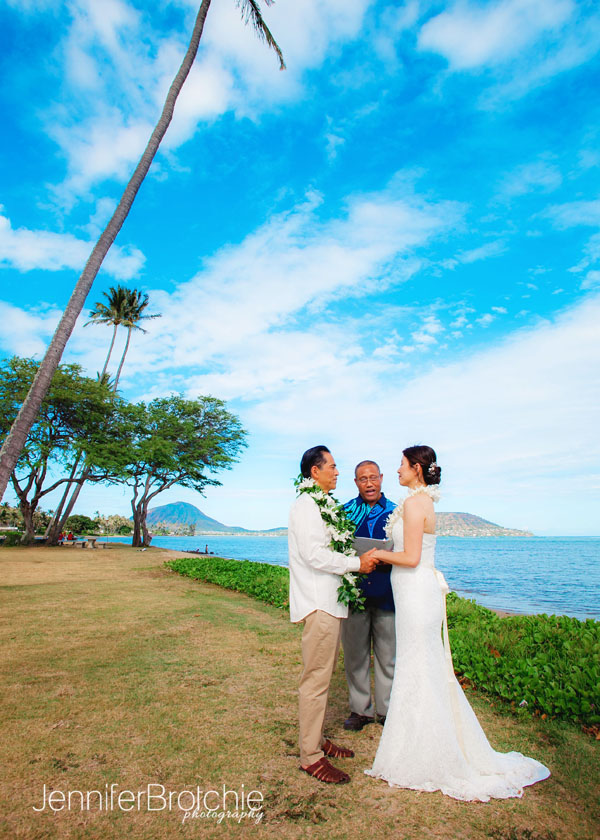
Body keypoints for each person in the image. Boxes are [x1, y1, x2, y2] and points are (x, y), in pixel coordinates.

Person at [365, 445, 550, 801]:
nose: (398, 470)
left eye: (401, 465)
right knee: (414, 668)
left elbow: (412, 556)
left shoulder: (418, 503)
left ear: (417, 469)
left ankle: (428, 754)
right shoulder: (416, 502)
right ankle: (413, 746)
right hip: (408, 593)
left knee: (420, 668)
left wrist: (377, 553)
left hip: (417, 594)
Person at [288, 445, 377, 784]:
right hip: (319, 603)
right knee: (315, 680)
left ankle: (317, 740)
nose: (338, 472)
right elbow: (314, 555)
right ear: (315, 471)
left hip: (330, 603)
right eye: (333, 466)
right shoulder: (306, 506)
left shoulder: (321, 504)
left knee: (322, 679)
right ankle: (310, 756)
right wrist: (357, 563)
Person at [342, 460, 396, 730]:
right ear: (356, 482)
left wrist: (388, 557)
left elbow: (409, 552)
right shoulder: (344, 512)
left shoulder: (397, 513)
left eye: (373, 477)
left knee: (388, 656)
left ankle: (387, 710)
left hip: (388, 594)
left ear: (382, 478)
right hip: (354, 594)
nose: (369, 483)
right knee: (355, 655)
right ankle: (359, 710)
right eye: (363, 479)